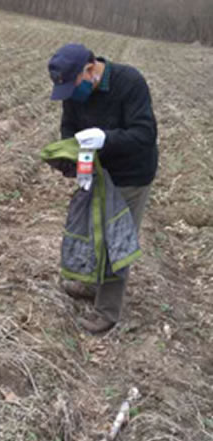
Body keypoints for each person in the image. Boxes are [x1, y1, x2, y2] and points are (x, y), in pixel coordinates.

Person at [47, 42, 158, 333]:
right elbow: (69, 128)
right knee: (94, 230)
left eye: (74, 85)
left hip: (132, 173)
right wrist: (76, 160)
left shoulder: (129, 82)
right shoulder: (73, 91)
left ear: (90, 68)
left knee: (115, 238)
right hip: (98, 170)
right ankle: (92, 284)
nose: (72, 96)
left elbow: (145, 134)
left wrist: (105, 138)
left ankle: (107, 311)